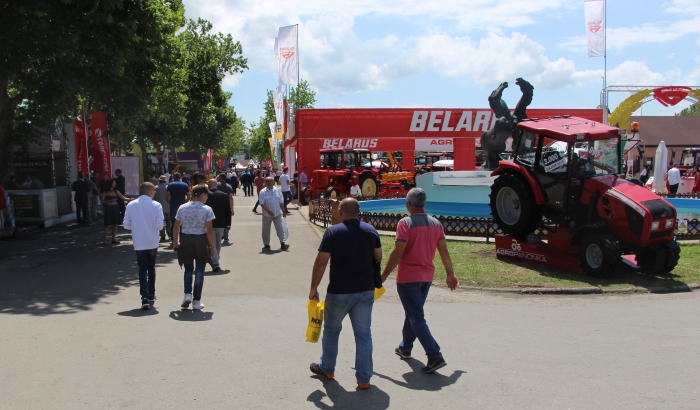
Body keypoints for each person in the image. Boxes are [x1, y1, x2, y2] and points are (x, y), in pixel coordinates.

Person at [381, 188, 459, 374]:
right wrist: (450, 274)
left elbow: (397, 252)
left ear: (408, 203)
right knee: (413, 313)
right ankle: (405, 347)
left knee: (416, 316)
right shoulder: (436, 224)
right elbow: (444, 251)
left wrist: (383, 275)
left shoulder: (405, 223)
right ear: (424, 204)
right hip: (426, 277)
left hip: (408, 277)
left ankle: (434, 355)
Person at [308, 198, 382, 389]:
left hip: (340, 290)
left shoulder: (333, 231)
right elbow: (378, 256)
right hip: (365, 290)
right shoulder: (371, 230)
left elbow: (321, 261)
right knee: (364, 334)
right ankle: (364, 379)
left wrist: (314, 287)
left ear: (340, 211)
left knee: (332, 330)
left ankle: (327, 368)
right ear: (359, 212)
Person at [172, 185, 215, 310]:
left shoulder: (182, 207)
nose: (207, 198)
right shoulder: (207, 209)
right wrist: (212, 246)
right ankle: (197, 301)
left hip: (186, 239)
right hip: (201, 240)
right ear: (202, 194)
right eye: (206, 195)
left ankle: (187, 294)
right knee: (200, 271)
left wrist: (176, 242)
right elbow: (209, 230)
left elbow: (176, 227)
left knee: (188, 269)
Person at [123, 182, 163, 309]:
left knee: (142, 268)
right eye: (153, 190)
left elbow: (126, 225)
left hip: (139, 242)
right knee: (151, 268)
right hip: (152, 241)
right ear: (148, 192)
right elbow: (160, 226)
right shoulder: (156, 205)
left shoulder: (131, 205)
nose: (155, 192)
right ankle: (151, 293)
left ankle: (144, 297)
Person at [205, 179, 232, 272]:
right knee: (218, 242)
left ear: (209, 185)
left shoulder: (205, 195)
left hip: (209, 223)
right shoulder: (224, 195)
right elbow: (227, 210)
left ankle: (215, 260)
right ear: (216, 185)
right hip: (221, 223)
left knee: (211, 242)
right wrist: (229, 224)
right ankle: (216, 260)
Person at [258, 177, 289, 251]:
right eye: (267, 181)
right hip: (267, 215)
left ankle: (283, 243)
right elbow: (262, 204)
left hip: (277, 213)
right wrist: (268, 211)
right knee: (266, 230)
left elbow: (281, 202)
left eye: (271, 181)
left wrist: (283, 211)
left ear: (273, 182)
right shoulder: (262, 192)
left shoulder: (277, 190)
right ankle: (266, 244)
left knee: (280, 228)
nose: (269, 183)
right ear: (265, 182)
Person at [101, 179, 130, 245]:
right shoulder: (105, 192)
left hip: (115, 208)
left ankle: (113, 239)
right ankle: (104, 240)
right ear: (111, 183)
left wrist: (132, 199)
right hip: (108, 208)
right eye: (114, 183)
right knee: (107, 224)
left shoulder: (116, 191)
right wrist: (109, 201)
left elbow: (124, 198)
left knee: (115, 224)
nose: (115, 184)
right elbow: (103, 201)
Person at [166, 172, 190, 242]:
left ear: (173, 177)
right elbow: (188, 195)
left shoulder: (170, 185)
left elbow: (167, 196)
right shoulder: (185, 185)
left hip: (173, 205)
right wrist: (186, 202)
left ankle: (174, 238)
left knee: (174, 222)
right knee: (182, 222)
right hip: (182, 205)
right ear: (180, 177)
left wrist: (170, 202)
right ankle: (182, 238)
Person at [216, 174, 234, 243]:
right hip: (227, 206)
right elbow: (231, 198)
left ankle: (220, 235)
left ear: (220, 177)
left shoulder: (217, 185)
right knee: (227, 221)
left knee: (219, 220)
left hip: (217, 205)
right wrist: (232, 209)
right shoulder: (229, 186)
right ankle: (226, 237)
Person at [154, 175, 171, 241]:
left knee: (161, 222)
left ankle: (162, 235)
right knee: (168, 221)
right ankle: (169, 233)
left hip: (158, 208)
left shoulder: (156, 188)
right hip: (167, 207)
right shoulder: (167, 188)